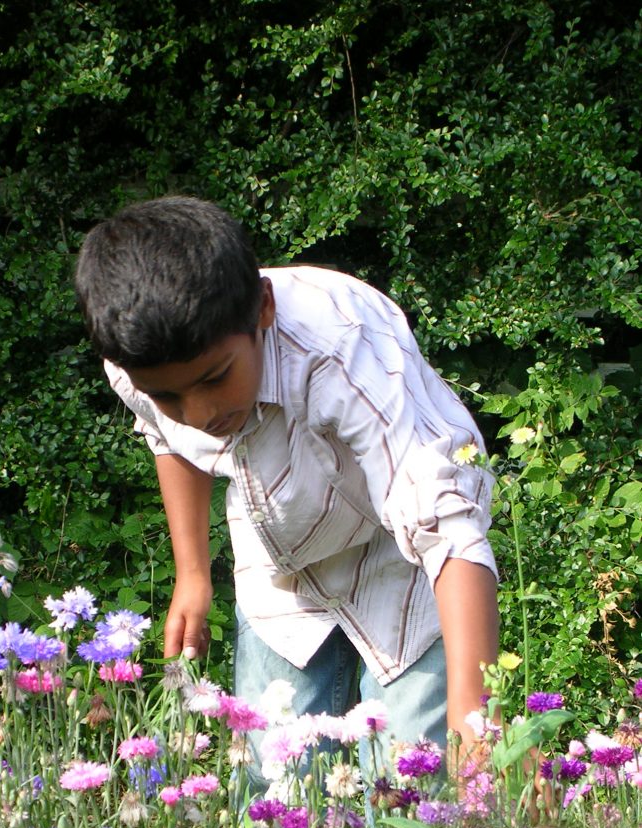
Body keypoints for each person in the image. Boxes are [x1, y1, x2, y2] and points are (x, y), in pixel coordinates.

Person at [75, 195, 499, 784]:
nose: (197, 412)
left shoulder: (342, 344)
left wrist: (477, 720)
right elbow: (167, 440)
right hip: (281, 560)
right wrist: (193, 573)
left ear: (264, 310)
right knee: (275, 791)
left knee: (414, 788)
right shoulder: (135, 359)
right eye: (170, 396)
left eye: (215, 378)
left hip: (408, 562)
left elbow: (445, 525)